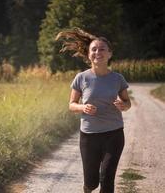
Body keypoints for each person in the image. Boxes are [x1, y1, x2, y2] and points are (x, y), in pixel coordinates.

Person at [56, 28, 131, 193]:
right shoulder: (81, 78)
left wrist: (123, 105)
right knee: (91, 182)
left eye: (102, 49)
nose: (98, 52)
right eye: (94, 49)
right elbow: (71, 104)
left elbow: (127, 102)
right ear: (88, 54)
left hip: (114, 134)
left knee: (107, 178)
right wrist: (83, 107)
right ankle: (87, 188)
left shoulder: (117, 79)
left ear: (110, 53)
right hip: (89, 136)